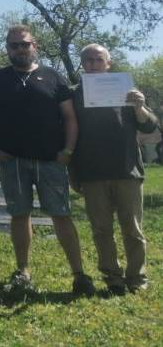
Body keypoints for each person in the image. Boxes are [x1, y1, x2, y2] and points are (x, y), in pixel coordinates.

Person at [0, 24, 94, 295]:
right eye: (14, 45)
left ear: (34, 45)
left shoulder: (53, 76)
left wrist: (68, 151)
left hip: (51, 160)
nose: (20, 49)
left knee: (61, 215)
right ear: (7, 49)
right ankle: (23, 271)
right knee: (20, 215)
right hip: (12, 160)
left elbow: (70, 117)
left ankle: (79, 274)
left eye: (24, 44)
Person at [70, 44, 158, 295]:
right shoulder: (74, 95)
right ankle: (113, 279)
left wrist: (139, 106)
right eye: (87, 60)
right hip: (92, 174)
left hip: (127, 171)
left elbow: (150, 126)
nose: (93, 64)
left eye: (98, 60)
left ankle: (137, 279)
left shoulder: (126, 90)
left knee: (133, 230)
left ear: (108, 63)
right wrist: (73, 173)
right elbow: (70, 133)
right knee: (101, 230)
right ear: (82, 65)